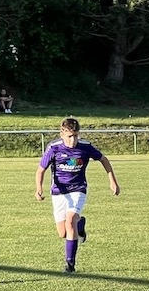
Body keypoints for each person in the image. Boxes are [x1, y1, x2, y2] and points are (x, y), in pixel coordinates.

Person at [35, 117, 121, 273]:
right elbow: (41, 170)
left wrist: (112, 181)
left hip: (78, 189)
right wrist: (38, 189)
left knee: (70, 222)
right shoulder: (54, 148)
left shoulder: (85, 147)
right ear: (62, 134)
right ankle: (80, 224)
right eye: (69, 136)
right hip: (58, 192)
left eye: (75, 136)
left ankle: (70, 265)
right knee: (63, 233)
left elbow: (103, 159)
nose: (73, 140)